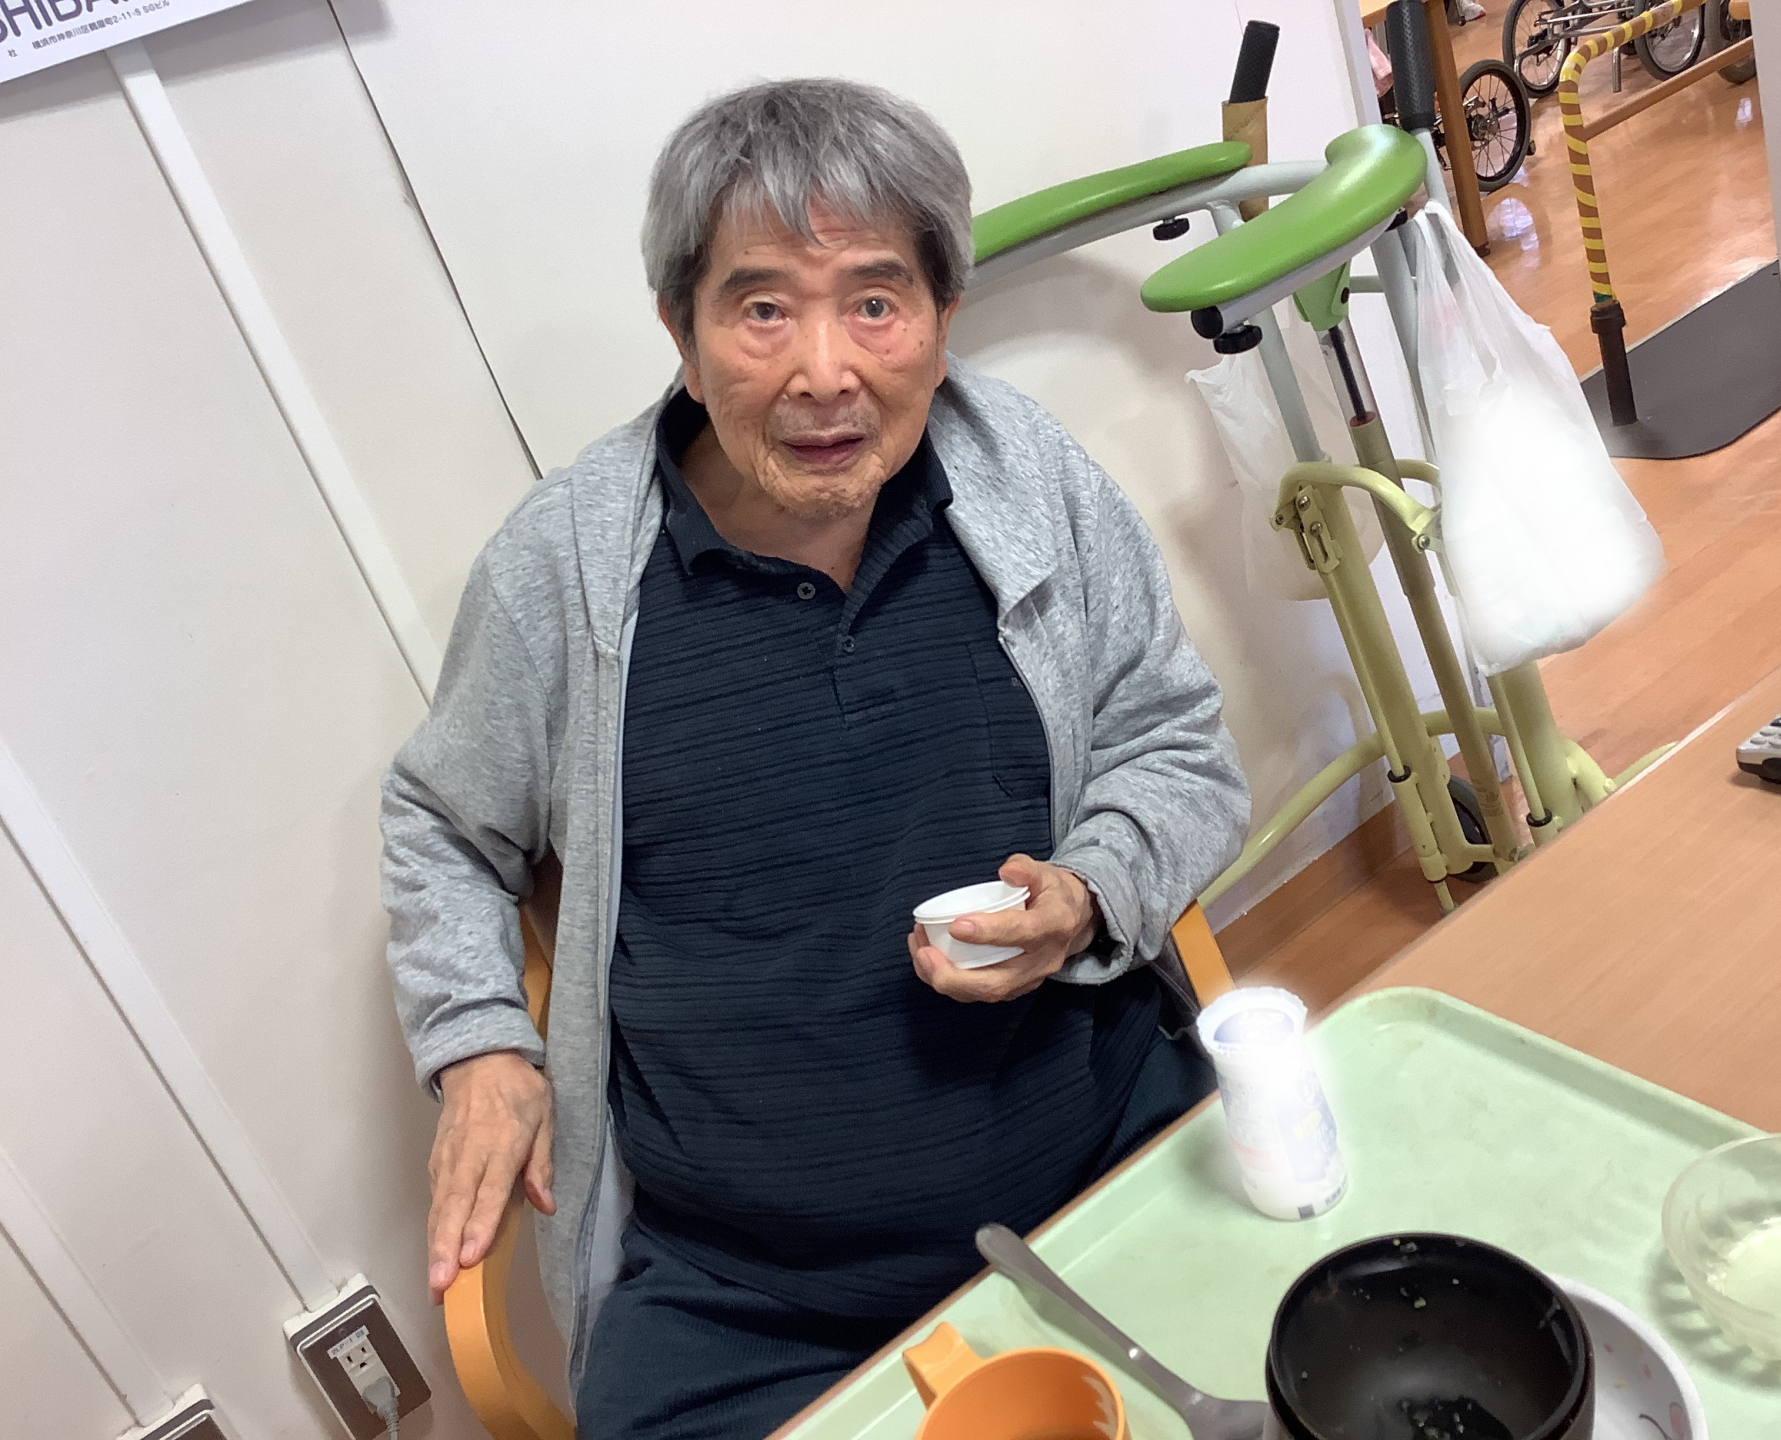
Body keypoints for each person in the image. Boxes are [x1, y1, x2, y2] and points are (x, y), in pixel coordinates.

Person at [380, 77, 1249, 1440]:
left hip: (1109, 1172)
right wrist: (480, 1041)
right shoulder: (566, 570)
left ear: (943, 318)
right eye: (763, 308)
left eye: (875, 301)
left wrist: (1089, 895)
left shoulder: (1028, 479)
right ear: (682, 333)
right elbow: (441, 824)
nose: (826, 372)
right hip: (746, 1302)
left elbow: (1176, 743)